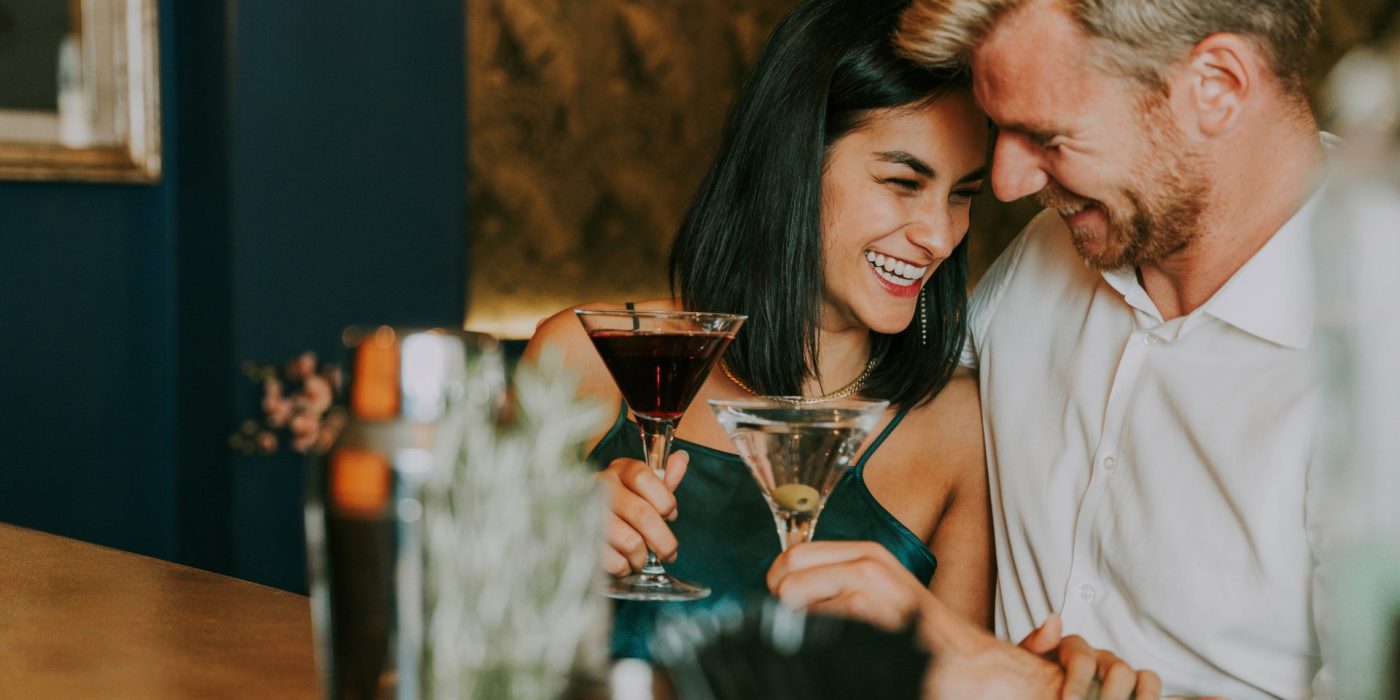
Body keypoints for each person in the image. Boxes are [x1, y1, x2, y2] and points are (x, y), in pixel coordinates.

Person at [769, 0, 1334, 697]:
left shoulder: (1372, 363)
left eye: (1049, 136)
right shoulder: (1059, 247)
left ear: (1215, 86)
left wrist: (1019, 681)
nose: (1008, 182)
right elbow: (853, 375)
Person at [525, 0, 993, 662]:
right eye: (902, 182)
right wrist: (541, 541)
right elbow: (444, 631)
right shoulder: (590, 359)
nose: (941, 236)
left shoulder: (956, 430)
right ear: (793, 164)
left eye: (961, 193)